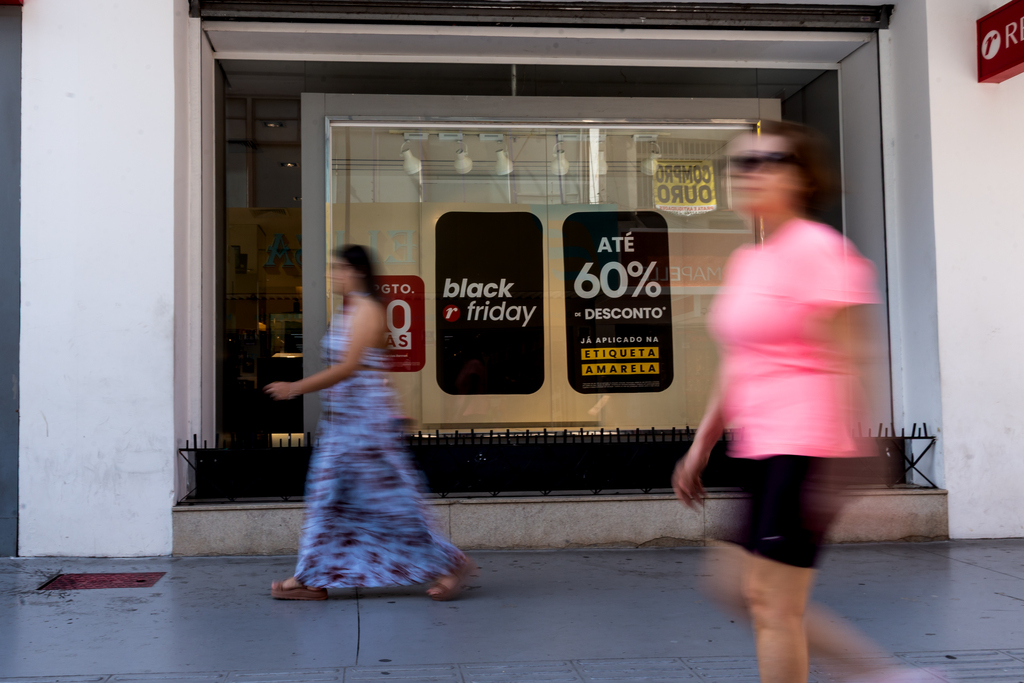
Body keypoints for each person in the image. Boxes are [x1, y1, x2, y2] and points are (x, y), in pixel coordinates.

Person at [672, 121, 927, 683]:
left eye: (767, 160)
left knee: (771, 604)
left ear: (802, 177)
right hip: (760, 446)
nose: (749, 172)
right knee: (736, 588)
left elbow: (857, 357)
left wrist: (854, 458)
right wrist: (701, 444)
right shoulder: (749, 261)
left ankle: (881, 674)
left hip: (808, 445)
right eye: (739, 163)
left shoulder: (820, 251)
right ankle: (881, 675)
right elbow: (738, 362)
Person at [265, 244, 476, 601]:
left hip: (363, 430)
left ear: (356, 272)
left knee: (387, 504)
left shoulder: (366, 310)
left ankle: (451, 566)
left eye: (338, 268)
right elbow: (376, 368)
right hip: (346, 426)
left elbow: (348, 368)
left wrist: (294, 388)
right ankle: (314, 578)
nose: (332, 274)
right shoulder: (350, 312)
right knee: (332, 502)